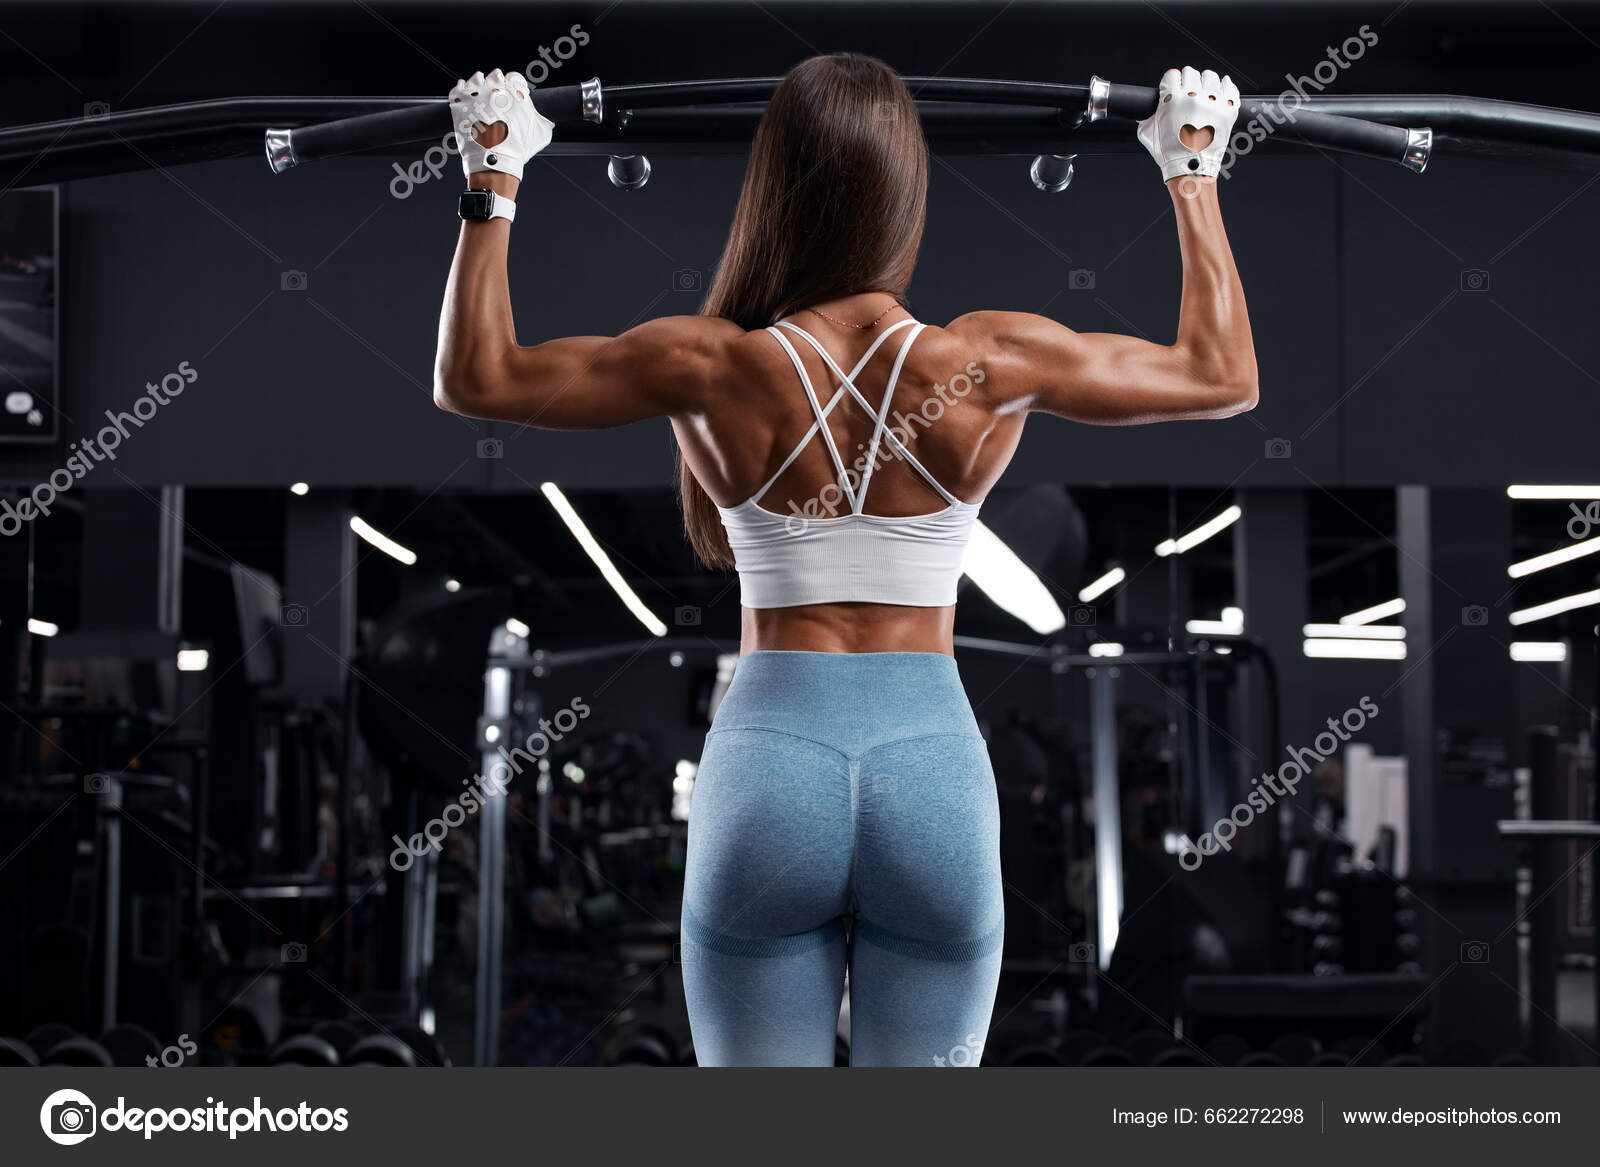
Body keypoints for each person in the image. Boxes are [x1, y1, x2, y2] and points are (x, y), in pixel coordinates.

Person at [434, 55, 1255, 1066]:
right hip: (933, 774)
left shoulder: (708, 363)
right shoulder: (984, 361)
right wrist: (1191, 170)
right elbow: (1220, 376)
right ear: (904, 200)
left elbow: (475, 377)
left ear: (772, 194)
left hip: (770, 764)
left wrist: (494, 176)